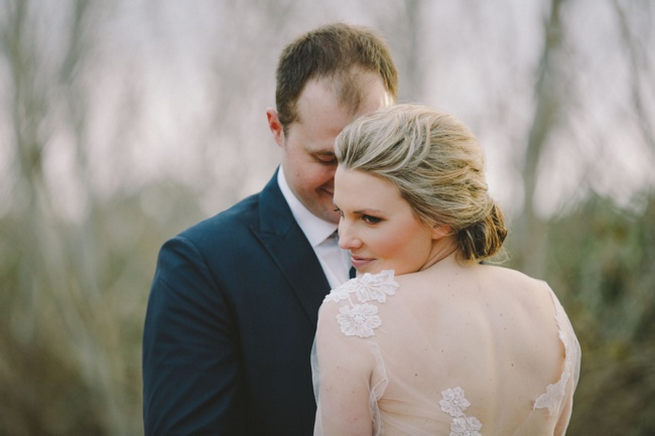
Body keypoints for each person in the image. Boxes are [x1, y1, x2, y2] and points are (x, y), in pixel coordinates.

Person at [142, 23, 398, 435]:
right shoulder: (201, 266)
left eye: (372, 153)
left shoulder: (429, 247)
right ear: (277, 128)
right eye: (327, 159)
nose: (351, 179)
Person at [312, 104, 581, 435]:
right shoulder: (545, 304)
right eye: (341, 214)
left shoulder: (352, 314)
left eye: (370, 218)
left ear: (440, 218)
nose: (345, 240)